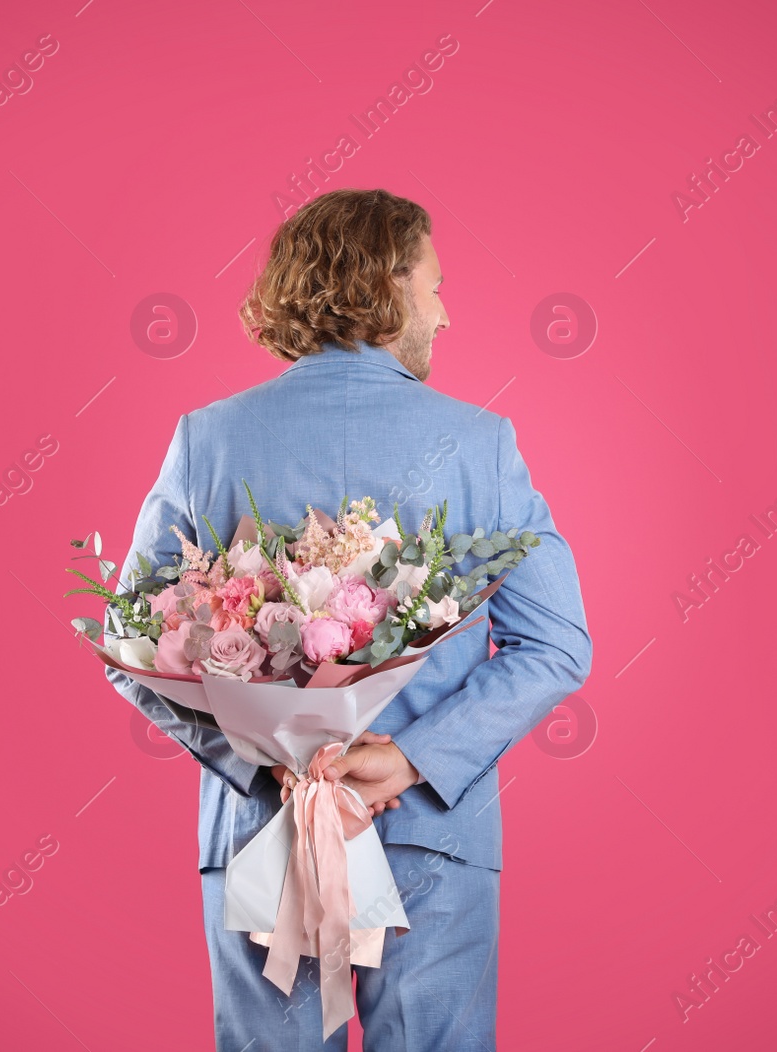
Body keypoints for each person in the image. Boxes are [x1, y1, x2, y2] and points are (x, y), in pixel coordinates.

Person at [106, 187, 591, 1050]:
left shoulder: (205, 441)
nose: (444, 316)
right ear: (389, 284)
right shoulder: (482, 445)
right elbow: (553, 644)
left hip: (264, 835)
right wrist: (410, 760)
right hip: (431, 837)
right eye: (436, 287)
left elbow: (132, 645)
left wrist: (276, 763)